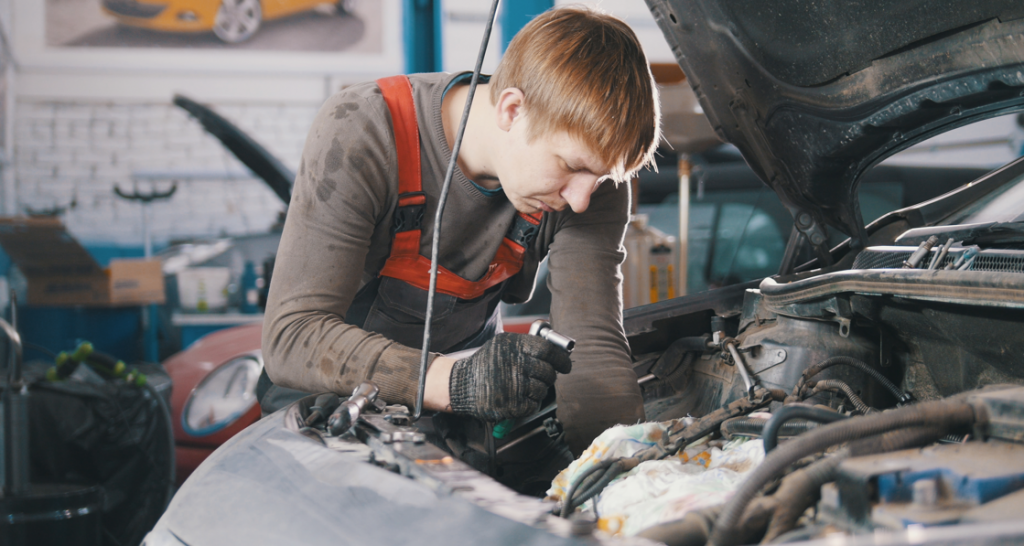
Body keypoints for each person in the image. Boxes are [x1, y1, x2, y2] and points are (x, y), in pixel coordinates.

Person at [261, 6, 661, 455]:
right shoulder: (364, 130)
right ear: (512, 109)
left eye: (603, 178)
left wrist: (623, 476)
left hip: (457, 427)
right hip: (324, 425)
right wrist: (454, 381)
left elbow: (591, 353)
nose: (582, 198)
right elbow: (292, 338)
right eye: (571, 167)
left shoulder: (589, 187)